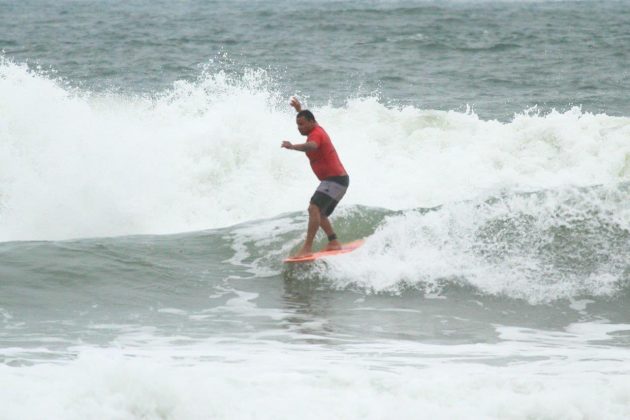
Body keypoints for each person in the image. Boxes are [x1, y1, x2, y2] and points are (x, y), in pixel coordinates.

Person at [281, 97, 349, 257]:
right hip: (340, 181)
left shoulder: (316, 135)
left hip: (335, 180)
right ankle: (333, 242)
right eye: (298, 124)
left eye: (302, 124)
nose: (299, 128)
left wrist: (292, 147)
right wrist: (299, 110)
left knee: (313, 208)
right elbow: (310, 121)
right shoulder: (317, 128)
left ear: (311, 123)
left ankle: (307, 248)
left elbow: (312, 146)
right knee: (320, 213)